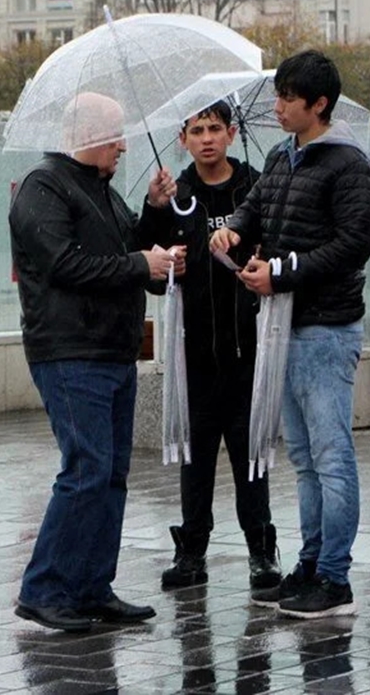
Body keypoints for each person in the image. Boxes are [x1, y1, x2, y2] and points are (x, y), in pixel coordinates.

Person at [209, 50, 370, 619]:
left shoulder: (350, 166)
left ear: (320, 105)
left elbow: (353, 245)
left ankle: (335, 576)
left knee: (333, 456)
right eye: (278, 95)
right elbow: (254, 210)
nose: (279, 106)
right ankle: (310, 562)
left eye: (289, 98)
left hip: (326, 329)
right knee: (305, 458)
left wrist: (281, 272)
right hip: (283, 326)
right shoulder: (284, 159)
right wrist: (233, 234)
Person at [9, 91, 179, 634]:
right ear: (88, 137)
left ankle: (90, 586)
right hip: (69, 350)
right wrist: (139, 262)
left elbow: (127, 249)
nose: (124, 147)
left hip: (112, 349)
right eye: (116, 136)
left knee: (110, 474)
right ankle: (44, 589)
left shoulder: (101, 191)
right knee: (86, 469)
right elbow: (65, 265)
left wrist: (152, 212)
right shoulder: (44, 188)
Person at [138, 100, 281, 592]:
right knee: (195, 463)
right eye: (196, 130)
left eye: (215, 128)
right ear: (183, 138)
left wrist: (265, 258)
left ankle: (262, 553)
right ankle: (191, 553)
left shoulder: (256, 187)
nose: (206, 138)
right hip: (194, 355)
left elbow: (279, 247)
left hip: (248, 351)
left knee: (251, 460)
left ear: (232, 133)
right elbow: (149, 268)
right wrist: (166, 251)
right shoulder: (176, 195)